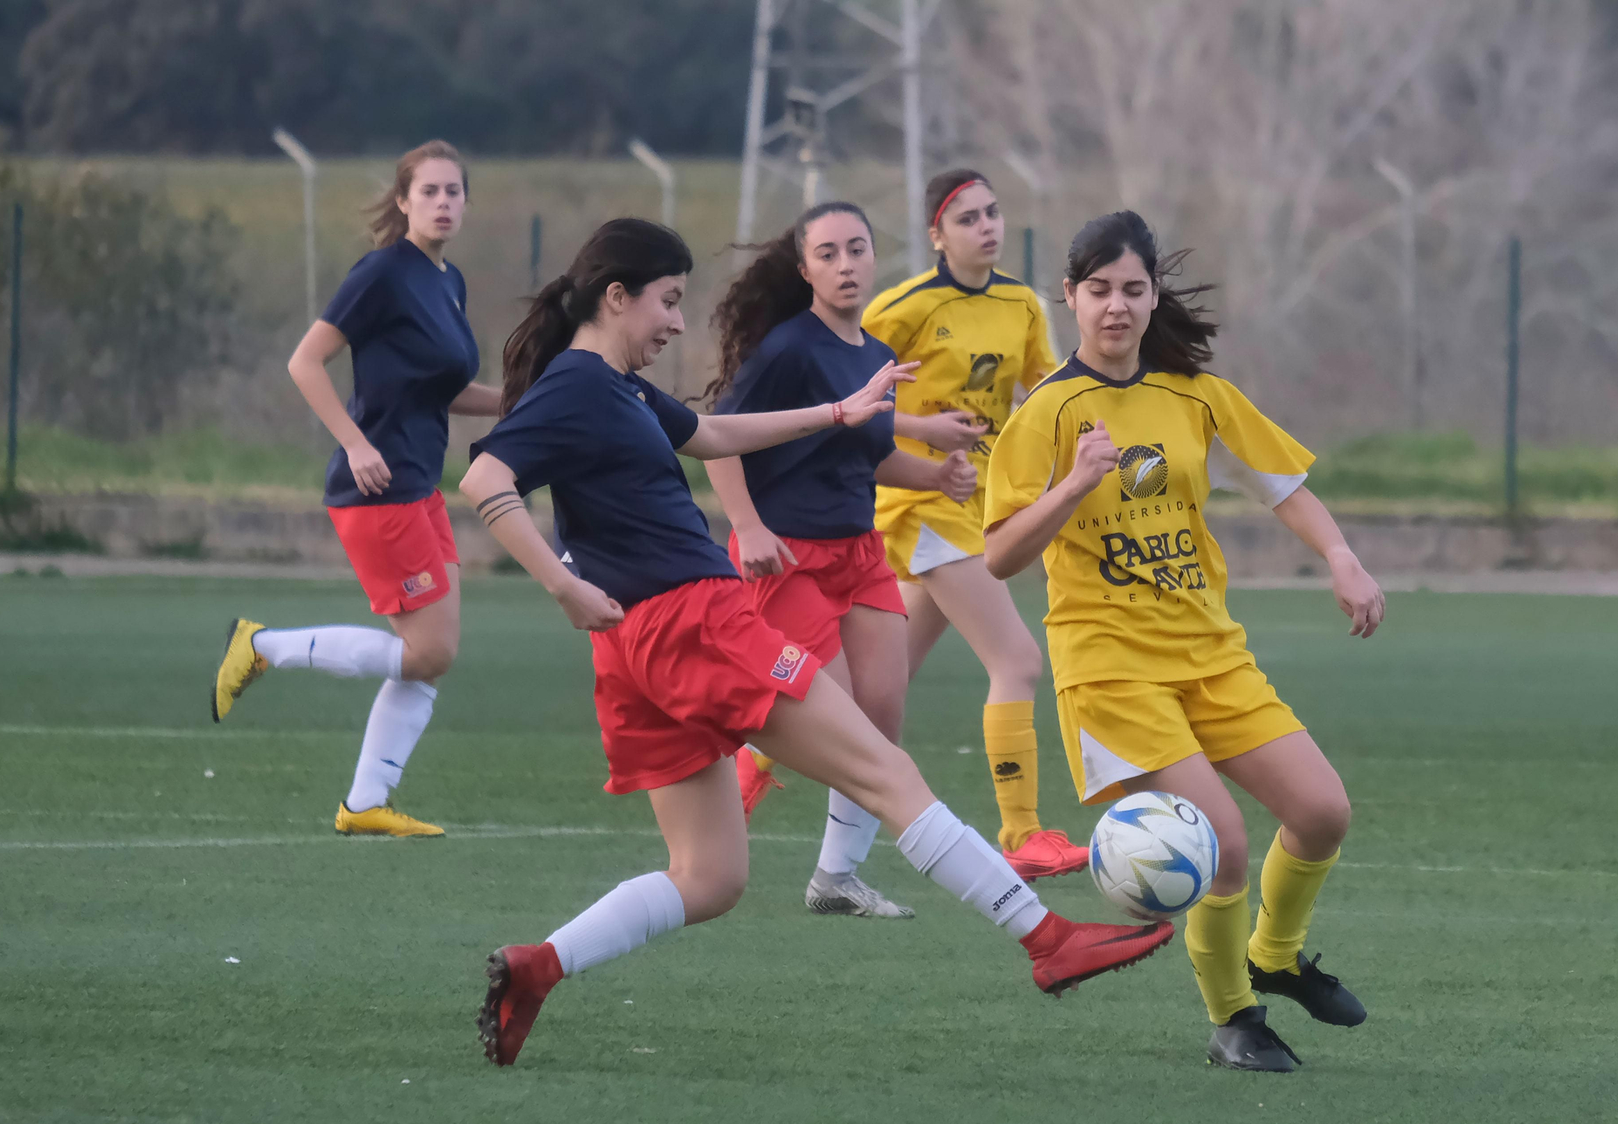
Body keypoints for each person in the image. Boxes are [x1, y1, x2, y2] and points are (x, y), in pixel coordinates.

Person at [456, 217, 1174, 1068]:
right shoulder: (580, 385)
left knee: (711, 877)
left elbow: (715, 435)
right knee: (887, 770)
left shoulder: (618, 385)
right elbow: (484, 479)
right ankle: (1048, 940)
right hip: (694, 623)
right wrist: (562, 585)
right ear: (616, 297)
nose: (678, 323)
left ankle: (540, 966)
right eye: (668, 303)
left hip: (635, 649)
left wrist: (843, 412)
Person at [983, 211, 1383, 1073]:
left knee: (1322, 811)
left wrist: (1342, 557)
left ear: (1153, 294)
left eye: (1132, 289)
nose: (1116, 307)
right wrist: (1075, 483)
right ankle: (1233, 1017)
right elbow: (1000, 553)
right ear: (1070, 298)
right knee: (1225, 838)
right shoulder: (1048, 413)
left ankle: (1273, 956)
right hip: (1109, 666)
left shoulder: (1194, 395)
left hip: (1209, 651)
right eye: (1098, 291)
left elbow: (1285, 484)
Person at [738, 170, 1090, 883]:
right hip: (913, 511)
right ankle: (1021, 832)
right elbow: (844, 401)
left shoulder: (1022, 303)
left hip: (968, 501)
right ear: (936, 235)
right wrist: (927, 434)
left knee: (873, 704)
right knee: (1017, 660)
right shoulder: (900, 309)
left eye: (993, 213)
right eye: (966, 218)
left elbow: (1048, 392)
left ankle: (759, 768)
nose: (985, 227)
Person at [210, 140, 497, 838]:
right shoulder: (383, 273)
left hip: (421, 484)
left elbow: (444, 389)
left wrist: (520, 401)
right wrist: (355, 441)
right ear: (402, 202)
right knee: (427, 651)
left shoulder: (447, 280)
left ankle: (366, 803)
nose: (443, 203)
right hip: (378, 488)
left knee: (434, 655)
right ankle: (263, 645)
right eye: (428, 191)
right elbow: (305, 361)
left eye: (454, 192)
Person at [702, 201, 977, 919]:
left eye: (857, 248)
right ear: (805, 271)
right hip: (784, 556)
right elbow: (716, 437)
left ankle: (835, 879)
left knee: (880, 718)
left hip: (860, 553)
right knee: (833, 726)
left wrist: (938, 476)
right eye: (828, 253)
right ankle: (745, 764)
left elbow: (874, 457)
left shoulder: (878, 355)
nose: (846, 263)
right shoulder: (788, 350)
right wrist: (747, 526)